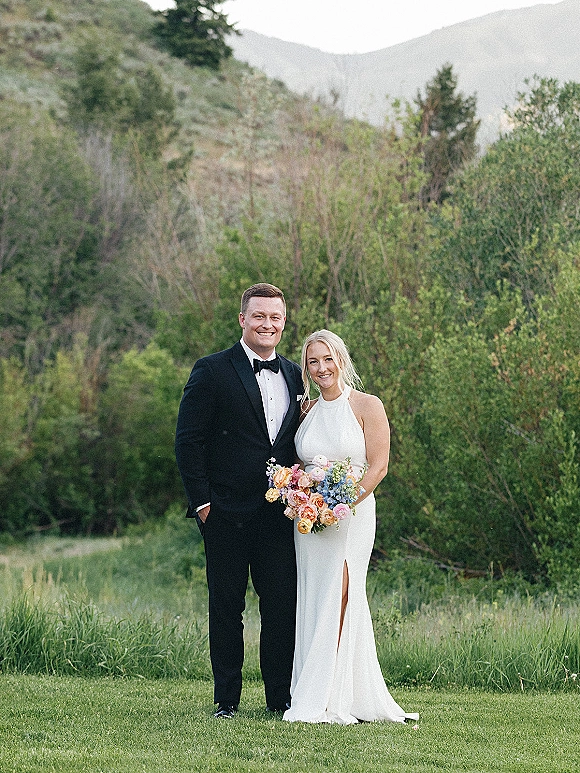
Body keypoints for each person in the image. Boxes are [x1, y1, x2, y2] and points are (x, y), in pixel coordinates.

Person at [175, 283, 303, 718]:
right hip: (225, 513)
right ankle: (226, 700)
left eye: (276, 318)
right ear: (242, 320)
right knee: (227, 609)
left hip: (280, 516)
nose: (267, 324)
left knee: (281, 609)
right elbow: (188, 441)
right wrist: (203, 504)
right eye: (259, 316)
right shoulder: (212, 370)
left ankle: (279, 700)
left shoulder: (295, 374)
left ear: (283, 323)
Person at [283, 329, 418, 725]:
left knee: (341, 597)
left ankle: (336, 696)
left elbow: (378, 467)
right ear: (306, 368)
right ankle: (313, 691)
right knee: (314, 597)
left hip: (350, 518)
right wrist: (301, 496)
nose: (321, 367)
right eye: (313, 361)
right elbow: (304, 464)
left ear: (341, 359)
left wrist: (338, 505)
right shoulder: (306, 410)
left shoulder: (366, 405)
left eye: (327, 359)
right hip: (309, 522)